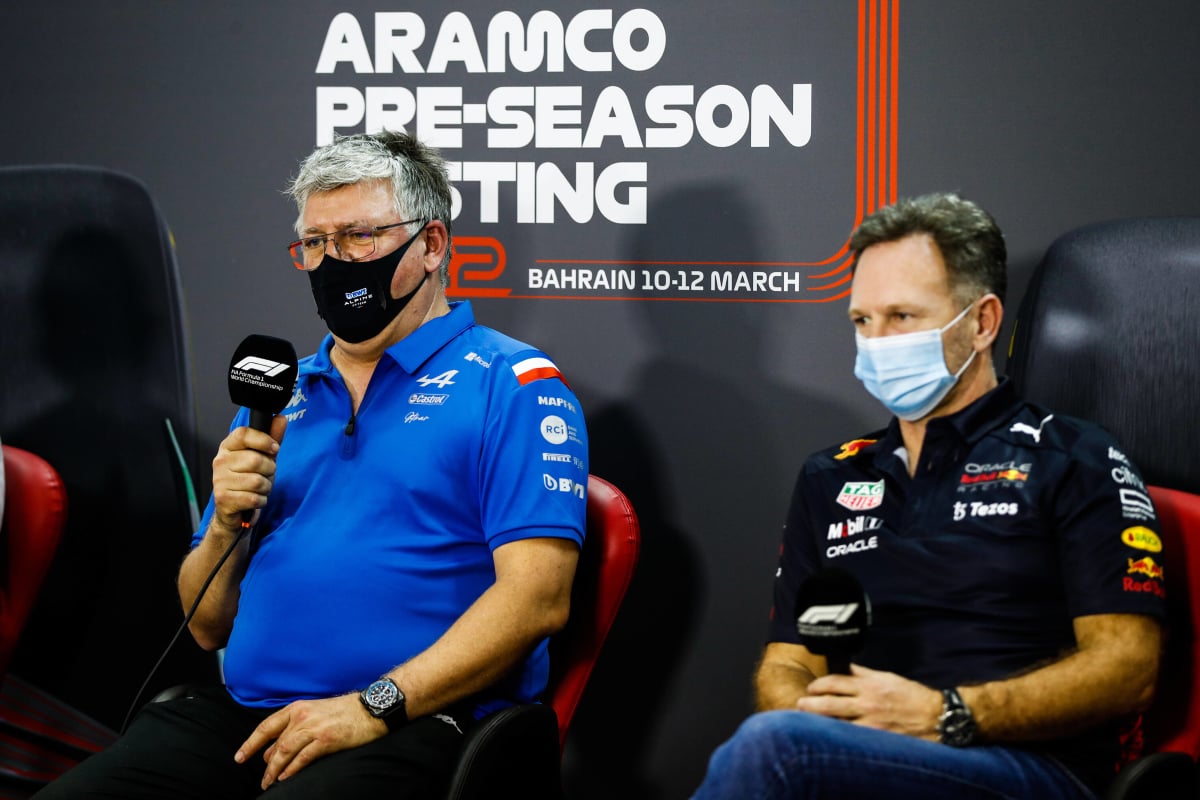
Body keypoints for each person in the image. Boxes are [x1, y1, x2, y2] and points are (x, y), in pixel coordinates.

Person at [35, 131, 588, 799]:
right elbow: (207, 624)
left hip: (414, 720)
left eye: (358, 237)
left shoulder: (513, 384)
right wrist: (223, 528)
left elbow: (537, 600)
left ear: (433, 245)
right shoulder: (278, 392)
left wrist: (372, 706)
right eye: (316, 244)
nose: (334, 261)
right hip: (244, 719)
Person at [691, 193, 1166, 799]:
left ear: (982, 322)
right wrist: (819, 714)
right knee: (781, 736)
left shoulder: (1074, 458)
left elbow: (1128, 669)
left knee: (775, 750)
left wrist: (946, 712)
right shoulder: (829, 477)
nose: (876, 342)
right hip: (861, 756)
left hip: (1028, 768)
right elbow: (789, 661)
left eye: (902, 317)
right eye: (862, 321)